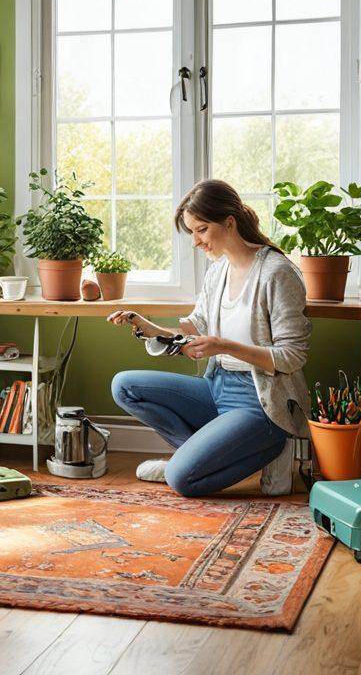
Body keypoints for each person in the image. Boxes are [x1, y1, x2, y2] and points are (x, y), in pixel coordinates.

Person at [108, 179, 310, 496]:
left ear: (229, 222)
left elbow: (292, 355)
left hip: (260, 402)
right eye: (192, 232)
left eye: (201, 230)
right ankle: (196, 457)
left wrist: (223, 345)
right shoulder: (218, 271)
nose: (196, 241)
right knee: (124, 386)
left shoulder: (276, 273)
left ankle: (271, 446)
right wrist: (148, 326)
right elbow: (195, 327)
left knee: (181, 480)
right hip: (217, 387)